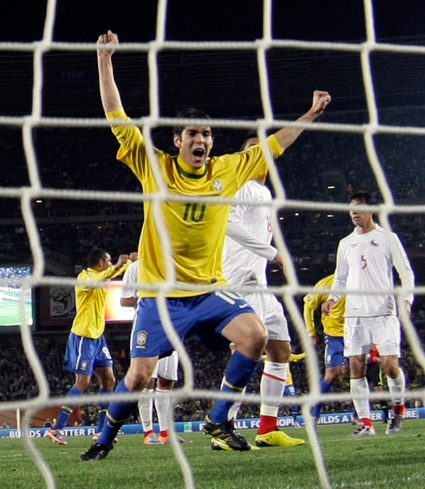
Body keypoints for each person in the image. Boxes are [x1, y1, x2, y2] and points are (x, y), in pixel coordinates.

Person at [80, 30, 330, 461]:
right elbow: (116, 116)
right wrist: (105, 61)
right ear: (177, 140)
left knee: (255, 336)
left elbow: (276, 144)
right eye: (193, 134)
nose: (201, 140)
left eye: (208, 134)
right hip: (162, 299)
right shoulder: (154, 166)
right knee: (138, 378)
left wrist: (310, 114)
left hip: (209, 291)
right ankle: (103, 439)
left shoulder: (228, 170)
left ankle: (218, 419)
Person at [219, 131, 305, 449]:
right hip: (239, 283)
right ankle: (223, 426)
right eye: (252, 150)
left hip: (260, 286)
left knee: (281, 351)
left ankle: (268, 428)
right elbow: (228, 223)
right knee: (244, 355)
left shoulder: (263, 192)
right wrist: (275, 255)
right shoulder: (239, 185)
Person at [321, 192, 415, 437]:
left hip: (383, 312)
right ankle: (366, 423)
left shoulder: (387, 238)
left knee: (390, 366)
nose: (354, 213)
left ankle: (398, 409)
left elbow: (405, 272)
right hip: (354, 314)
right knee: (355, 366)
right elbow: (340, 277)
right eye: (351, 209)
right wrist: (332, 298)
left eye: (359, 208)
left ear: (371, 210)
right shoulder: (345, 243)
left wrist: (406, 300)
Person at [46, 248, 133, 446]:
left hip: (97, 336)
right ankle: (56, 429)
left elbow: (111, 273)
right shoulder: (84, 277)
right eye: (108, 261)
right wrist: (119, 265)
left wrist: (130, 262)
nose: (110, 265)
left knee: (109, 379)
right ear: (101, 262)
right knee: (83, 382)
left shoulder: (102, 276)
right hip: (83, 336)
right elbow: (102, 278)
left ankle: (101, 431)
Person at [119, 260, 184, 445]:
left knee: (167, 380)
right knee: (147, 381)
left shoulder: (174, 264)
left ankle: (166, 432)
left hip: (171, 328)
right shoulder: (135, 268)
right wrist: (150, 298)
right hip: (146, 328)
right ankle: (148, 432)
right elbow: (124, 300)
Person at [302, 273, 349, 421]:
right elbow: (308, 306)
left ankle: (361, 417)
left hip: (355, 332)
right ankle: (314, 412)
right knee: (331, 374)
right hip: (334, 335)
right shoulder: (326, 284)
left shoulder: (361, 280)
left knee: (357, 372)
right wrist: (311, 332)